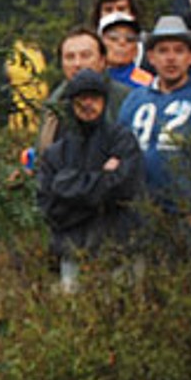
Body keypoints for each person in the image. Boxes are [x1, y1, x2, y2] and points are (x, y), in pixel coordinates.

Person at [37, 69, 143, 293]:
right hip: (71, 252)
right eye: (81, 98)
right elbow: (49, 207)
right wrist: (102, 180)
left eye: (94, 97)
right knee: (73, 320)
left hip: (117, 250)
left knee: (122, 313)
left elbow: (125, 188)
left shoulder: (121, 139)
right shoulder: (56, 152)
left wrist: (68, 186)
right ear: (70, 103)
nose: (88, 104)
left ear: (104, 101)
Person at [118, 15, 191, 220]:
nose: (171, 58)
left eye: (179, 50)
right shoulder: (134, 100)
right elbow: (119, 150)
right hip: (140, 212)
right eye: (163, 50)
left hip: (189, 214)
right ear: (150, 57)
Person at [36, 27, 134, 153]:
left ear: (102, 60)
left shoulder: (126, 98)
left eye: (85, 56)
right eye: (70, 57)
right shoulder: (54, 104)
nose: (77, 64)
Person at [98, 12, 155, 89]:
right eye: (113, 38)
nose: (122, 43)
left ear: (136, 49)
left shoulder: (147, 82)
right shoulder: (91, 77)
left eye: (130, 39)